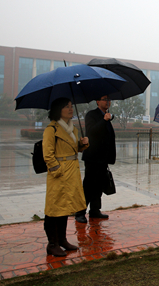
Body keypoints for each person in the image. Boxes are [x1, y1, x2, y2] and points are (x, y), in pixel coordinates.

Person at [43, 98, 89, 257]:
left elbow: (74, 149)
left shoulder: (73, 129)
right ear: (58, 110)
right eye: (66, 107)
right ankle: (52, 244)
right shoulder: (52, 129)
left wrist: (82, 144)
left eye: (71, 106)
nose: (70, 109)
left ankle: (62, 239)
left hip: (72, 172)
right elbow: (47, 155)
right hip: (59, 174)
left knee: (65, 207)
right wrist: (57, 171)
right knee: (54, 208)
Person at [75, 95, 115, 223]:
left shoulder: (107, 116)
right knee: (89, 186)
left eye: (109, 99)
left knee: (99, 186)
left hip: (103, 158)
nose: (107, 101)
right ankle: (80, 212)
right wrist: (104, 120)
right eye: (104, 99)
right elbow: (92, 132)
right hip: (93, 157)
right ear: (97, 101)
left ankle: (95, 210)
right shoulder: (91, 115)